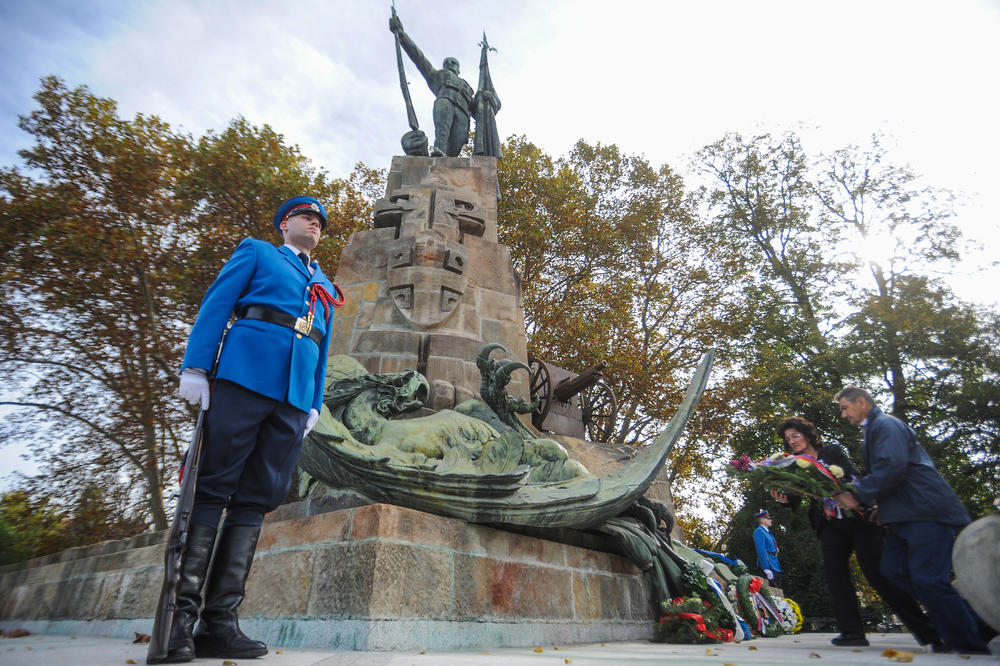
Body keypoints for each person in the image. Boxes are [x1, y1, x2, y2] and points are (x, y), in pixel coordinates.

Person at [164, 196, 339, 662]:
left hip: (293, 399)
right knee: (212, 486)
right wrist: (197, 367)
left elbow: (321, 347)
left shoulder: (325, 285)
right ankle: (179, 622)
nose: (314, 223)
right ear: (285, 224)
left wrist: (314, 402)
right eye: (306, 216)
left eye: (320, 220)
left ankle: (219, 623)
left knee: (258, 498)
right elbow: (217, 304)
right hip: (244, 378)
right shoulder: (259, 253)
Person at [834, 387, 990, 655]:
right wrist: (881, 507)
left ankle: (969, 643)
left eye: (845, 408)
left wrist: (858, 495)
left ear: (862, 402)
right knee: (894, 570)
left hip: (925, 511)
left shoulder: (886, 425)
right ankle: (976, 625)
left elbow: (892, 465)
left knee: (927, 577)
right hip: (904, 515)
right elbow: (892, 473)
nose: (844, 415)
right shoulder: (874, 430)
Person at [771, 416, 941, 649]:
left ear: (807, 434)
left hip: (858, 518)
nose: (792, 441)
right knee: (835, 575)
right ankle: (852, 633)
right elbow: (797, 495)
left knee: (879, 575)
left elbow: (853, 476)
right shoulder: (792, 463)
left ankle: (930, 632)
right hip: (829, 523)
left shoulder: (832, 451)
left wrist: (857, 498)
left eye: (795, 435)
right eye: (788, 438)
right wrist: (784, 499)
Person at [389, 11, 475, 157]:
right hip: (445, 102)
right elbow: (418, 57)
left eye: (453, 62)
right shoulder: (437, 75)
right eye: (447, 62)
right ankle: (438, 154)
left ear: (458, 68)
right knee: (442, 133)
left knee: (458, 143)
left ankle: (449, 169)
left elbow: (476, 108)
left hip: (463, 112)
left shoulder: (467, 86)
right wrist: (402, 35)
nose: (450, 63)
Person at [752, 509, 783, 589]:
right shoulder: (759, 531)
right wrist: (765, 568)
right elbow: (761, 550)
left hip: (774, 564)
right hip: (768, 565)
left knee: (777, 591)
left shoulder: (768, 533)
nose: (771, 520)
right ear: (762, 520)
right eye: (768, 518)